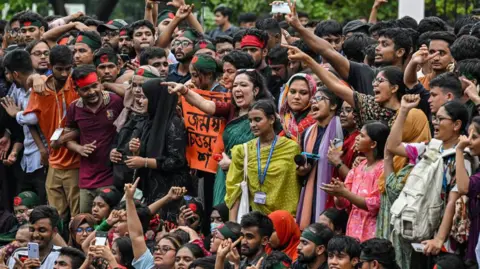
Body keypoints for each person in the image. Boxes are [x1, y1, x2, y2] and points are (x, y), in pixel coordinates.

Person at [385, 96, 472, 268]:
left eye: (441, 119)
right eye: (435, 118)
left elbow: (453, 201)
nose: (435, 123)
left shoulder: (463, 157)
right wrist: (403, 111)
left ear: (456, 125)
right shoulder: (430, 147)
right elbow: (393, 146)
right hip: (421, 231)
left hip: (444, 242)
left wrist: (439, 239)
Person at [165, 69, 270, 207]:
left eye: (243, 85)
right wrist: (184, 90)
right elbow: (207, 105)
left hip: (252, 174)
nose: (237, 89)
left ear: (256, 90)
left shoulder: (268, 115)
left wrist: (234, 164)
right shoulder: (232, 109)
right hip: (225, 173)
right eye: (235, 85)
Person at [22, 45, 81, 222]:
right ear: (50, 65)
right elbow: (30, 122)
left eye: (68, 69)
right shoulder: (40, 89)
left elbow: (87, 123)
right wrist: (42, 149)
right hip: (54, 160)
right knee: (56, 215)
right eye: (59, 69)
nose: (64, 74)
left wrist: (64, 139)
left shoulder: (77, 85)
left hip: (77, 160)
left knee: (77, 215)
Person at [63, 64, 123, 213]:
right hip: (86, 178)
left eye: (94, 86)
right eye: (85, 89)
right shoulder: (74, 108)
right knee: (84, 220)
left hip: (111, 176)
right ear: (76, 91)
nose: (91, 92)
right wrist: (79, 148)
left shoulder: (116, 101)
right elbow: (66, 138)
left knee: (109, 222)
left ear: (100, 83)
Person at [226, 100, 301, 218]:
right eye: (250, 121)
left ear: (271, 119)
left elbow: (298, 181)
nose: (252, 125)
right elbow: (234, 190)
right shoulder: (243, 151)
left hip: (285, 219)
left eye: (257, 119)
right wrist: (232, 224)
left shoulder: (291, 148)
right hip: (256, 219)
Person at [126, 78, 191, 204]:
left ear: (156, 99)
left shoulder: (173, 123)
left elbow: (176, 161)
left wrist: (144, 162)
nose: (140, 101)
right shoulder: (149, 121)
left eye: (144, 97)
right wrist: (137, 150)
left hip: (169, 191)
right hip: (149, 187)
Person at [322, 121, 389, 242]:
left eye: (362, 136)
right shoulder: (359, 167)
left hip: (373, 230)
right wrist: (338, 194)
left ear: (373, 144)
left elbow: (375, 204)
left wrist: (344, 193)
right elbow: (344, 203)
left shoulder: (383, 168)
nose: (357, 138)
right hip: (353, 228)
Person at [2, 49, 47, 206]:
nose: (6, 78)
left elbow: (34, 118)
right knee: (22, 205)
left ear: (15, 74)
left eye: (7, 74)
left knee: (42, 204)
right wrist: (7, 136)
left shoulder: (40, 86)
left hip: (43, 157)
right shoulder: (18, 89)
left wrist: (17, 115)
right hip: (27, 157)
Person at [295, 87, 343, 230]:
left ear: (334, 105)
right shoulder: (307, 133)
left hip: (334, 192)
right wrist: (302, 170)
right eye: (313, 99)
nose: (314, 102)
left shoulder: (342, 128)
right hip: (311, 191)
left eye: (320, 98)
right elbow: (301, 169)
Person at [278, 73, 318, 143]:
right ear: (286, 93)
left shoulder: (316, 121)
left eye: (303, 93)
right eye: (292, 92)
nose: (296, 97)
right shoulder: (281, 120)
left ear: (312, 95)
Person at [327, 102, 359, 180]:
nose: (342, 114)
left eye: (348, 110)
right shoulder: (344, 138)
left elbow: (356, 180)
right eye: (341, 111)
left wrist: (337, 161)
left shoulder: (360, 141)